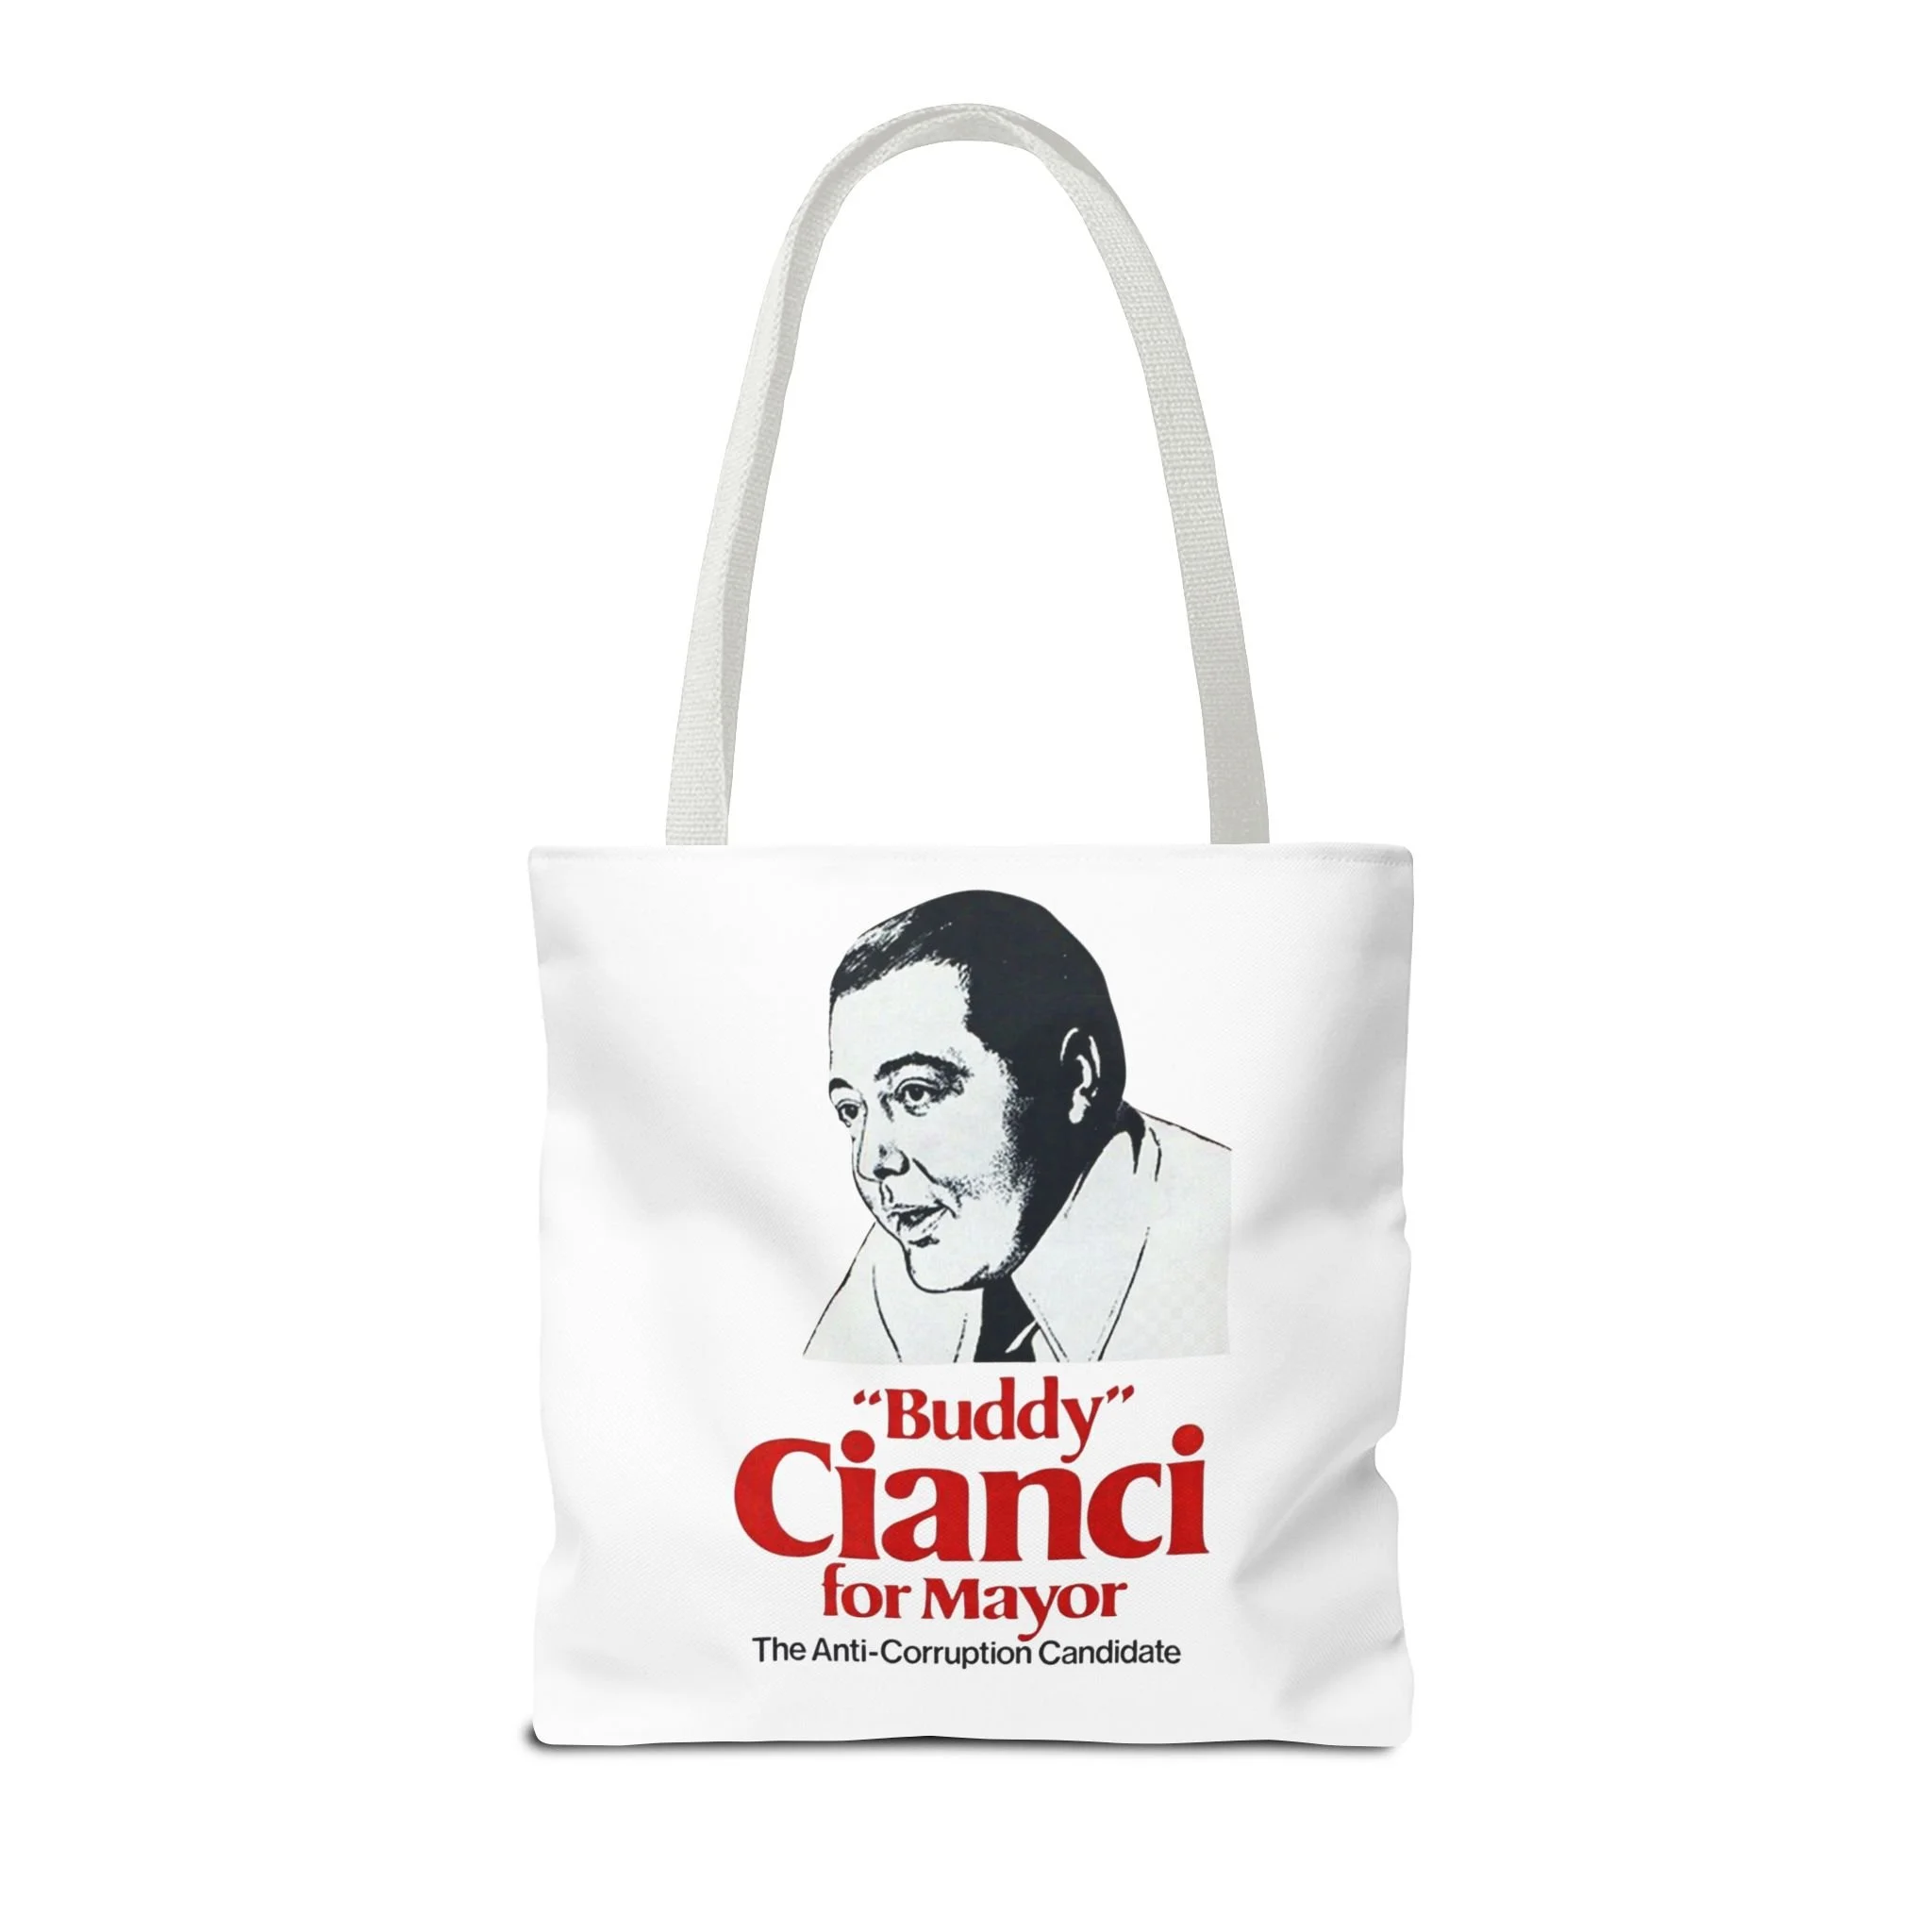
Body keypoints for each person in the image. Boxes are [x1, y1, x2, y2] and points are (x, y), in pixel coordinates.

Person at [805, 890, 1229, 1364]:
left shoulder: (1223, 1243)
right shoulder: (912, 1243)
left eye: (916, 1093)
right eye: (851, 1110)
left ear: (1075, 1079)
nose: (871, 1162)